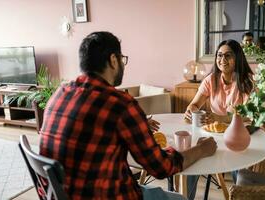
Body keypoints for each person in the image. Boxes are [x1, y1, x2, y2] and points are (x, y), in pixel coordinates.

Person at [39, 31, 217, 200]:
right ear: (113, 60)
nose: (123, 64)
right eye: (123, 59)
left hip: (60, 194)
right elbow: (161, 168)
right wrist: (201, 149)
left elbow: (90, 132)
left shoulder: (59, 94)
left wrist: (134, 128)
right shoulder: (120, 104)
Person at [184, 39, 254, 199]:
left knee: (240, 167)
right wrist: (191, 111)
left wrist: (217, 117)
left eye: (228, 56)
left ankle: (240, 196)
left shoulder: (248, 83)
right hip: (214, 135)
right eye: (219, 55)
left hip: (239, 135)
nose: (222, 60)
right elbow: (194, 104)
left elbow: (246, 117)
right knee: (191, 157)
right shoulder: (211, 80)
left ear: (237, 58)